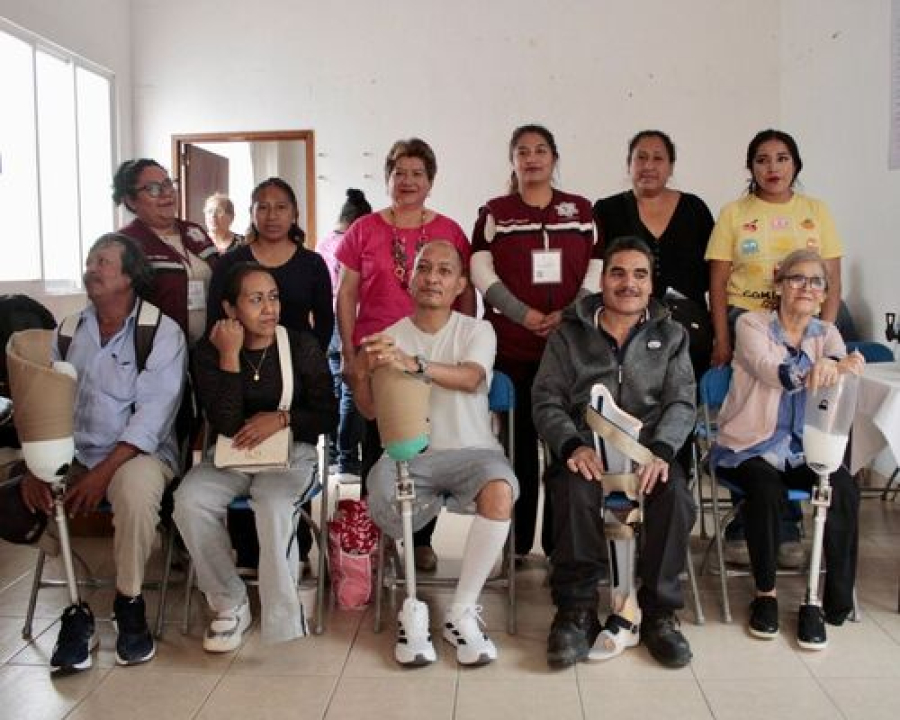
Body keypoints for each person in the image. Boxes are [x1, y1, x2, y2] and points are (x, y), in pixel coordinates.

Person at [18, 233, 186, 671]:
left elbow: (153, 417)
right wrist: (38, 467)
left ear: (129, 276)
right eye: (90, 261)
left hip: (139, 453)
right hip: (78, 450)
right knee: (35, 493)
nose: (91, 269)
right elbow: (46, 404)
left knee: (134, 492)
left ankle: (129, 603)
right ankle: (77, 610)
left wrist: (102, 474)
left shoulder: (160, 332)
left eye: (103, 262)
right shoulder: (69, 330)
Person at [533, 236, 696, 669]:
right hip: (585, 453)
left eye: (640, 275)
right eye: (618, 273)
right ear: (602, 280)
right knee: (573, 491)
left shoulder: (673, 336)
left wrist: (661, 451)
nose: (629, 283)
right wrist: (572, 445)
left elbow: (682, 402)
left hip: (649, 456)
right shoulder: (569, 335)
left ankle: (659, 614)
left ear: (651, 284)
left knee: (675, 496)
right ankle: (576, 612)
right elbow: (546, 401)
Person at [354, 240, 518, 667]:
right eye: (423, 268)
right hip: (409, 456)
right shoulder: (390, 336)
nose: (432, 278)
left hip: (473, 451)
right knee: (384, 491)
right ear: (410, 279)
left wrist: (416, 365)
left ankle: (461, 612)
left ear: (461, 283)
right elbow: (370, 411)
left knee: (500, 489)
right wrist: (360, 374)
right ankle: (412, 610)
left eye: (444, 271)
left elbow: (470, 378)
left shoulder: (477, 330)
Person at [174, 262, 337, 650]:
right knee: (189, 501)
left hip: (291, 453)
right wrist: (230, 357)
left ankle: (283, 615)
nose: (269, 308)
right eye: (256, 299)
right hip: (231, 455)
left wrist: (281, 419)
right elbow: (226, 423)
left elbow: (328, 414)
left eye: (273, 297)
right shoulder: (209, 352)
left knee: (274, 503)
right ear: (230, 309)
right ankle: (230, 602)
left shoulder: (300, 346)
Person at [711, 249, 863, 649]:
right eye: (796, 279)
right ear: (778, 284)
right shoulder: (751, 323)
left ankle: (825, 601)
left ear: (824, 293)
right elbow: (774, 372)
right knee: (766, 490)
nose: (806, 288)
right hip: (749, 446)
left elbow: (845, 372)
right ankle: (766, 595)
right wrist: (829, 366)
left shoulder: (827, 333)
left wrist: (840, 365)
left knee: (843, 487)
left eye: (816, 282)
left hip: (804, 448)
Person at [706, 129, 844, 568]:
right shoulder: (734, 213)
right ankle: (750, 523)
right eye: (762, 159)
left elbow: (832, 280)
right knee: (757, 415)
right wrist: (722, 338)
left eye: (782, 158)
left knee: (798, 413)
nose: (772, 167)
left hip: (805, 325)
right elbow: (718, 282)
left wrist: (823, 333)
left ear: (795, 165)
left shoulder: (816, 211)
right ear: (750, 167)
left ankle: (786, 525)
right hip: (750, 323)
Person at [336, 138, 475, 571]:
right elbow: (346, 294)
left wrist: (463, 345)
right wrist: (348, 354)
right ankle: (372, 535)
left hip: (430, 354)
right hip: (376, 354)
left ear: (430, 181)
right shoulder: (363, 229)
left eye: (417, 174)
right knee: (375, 446)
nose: (408, 181)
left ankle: (420, 539)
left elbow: (464, 293)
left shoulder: (450, 231)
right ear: (388, 179)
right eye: (400, 173)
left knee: (426, 448)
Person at [470, 124, 598, 561]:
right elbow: (480, 270)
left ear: (554, 158)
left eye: (540, 150)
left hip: (569, 348)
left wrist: (570, 313)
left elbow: (597, 266)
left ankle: (563, 543)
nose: (532, 158)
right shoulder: (495, 212)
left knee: (566, 444)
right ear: (513, 161)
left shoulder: (581, 210)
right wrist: (522, 314)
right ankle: (519, 543)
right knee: (519, 447)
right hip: (514, 348)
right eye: (522, 152)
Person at [207, 177, 334, 573]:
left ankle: (295, 550)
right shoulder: (230, 262)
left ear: (295, 213)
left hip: (296, 376)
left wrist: (305, 362)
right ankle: (248, 554)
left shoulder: (311, 264)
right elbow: (216, 319)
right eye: (262, 206)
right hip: (240, 370)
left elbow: (324, 323)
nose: (272, 215)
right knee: (241, 452)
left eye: (281, 207)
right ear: (251, 213)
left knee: (287, 469)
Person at [593, 130, 714, 378]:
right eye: (641, 157)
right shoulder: (607, 210)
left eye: (658, 158)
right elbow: (597, 271)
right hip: (626, 335)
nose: (648, 166)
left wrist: (720, 336)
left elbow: (715, 275)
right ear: (629, 164)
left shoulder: (694, 209)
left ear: (671, 167)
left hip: (688, 336)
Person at [114, 159, 218, 344]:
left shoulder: (195, 231)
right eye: (153, 189)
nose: (166, 193)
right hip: (157, 346)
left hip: (209, 346)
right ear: (131, 200)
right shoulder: (125, 243)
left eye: (168, 184)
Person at [318, 189, 372, 478]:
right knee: (352, 391)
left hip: (327, 325)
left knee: (335, 390)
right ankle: (348, 459)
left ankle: (332, 455)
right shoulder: (354, 245)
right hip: (350, 322)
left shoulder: (323, 243)